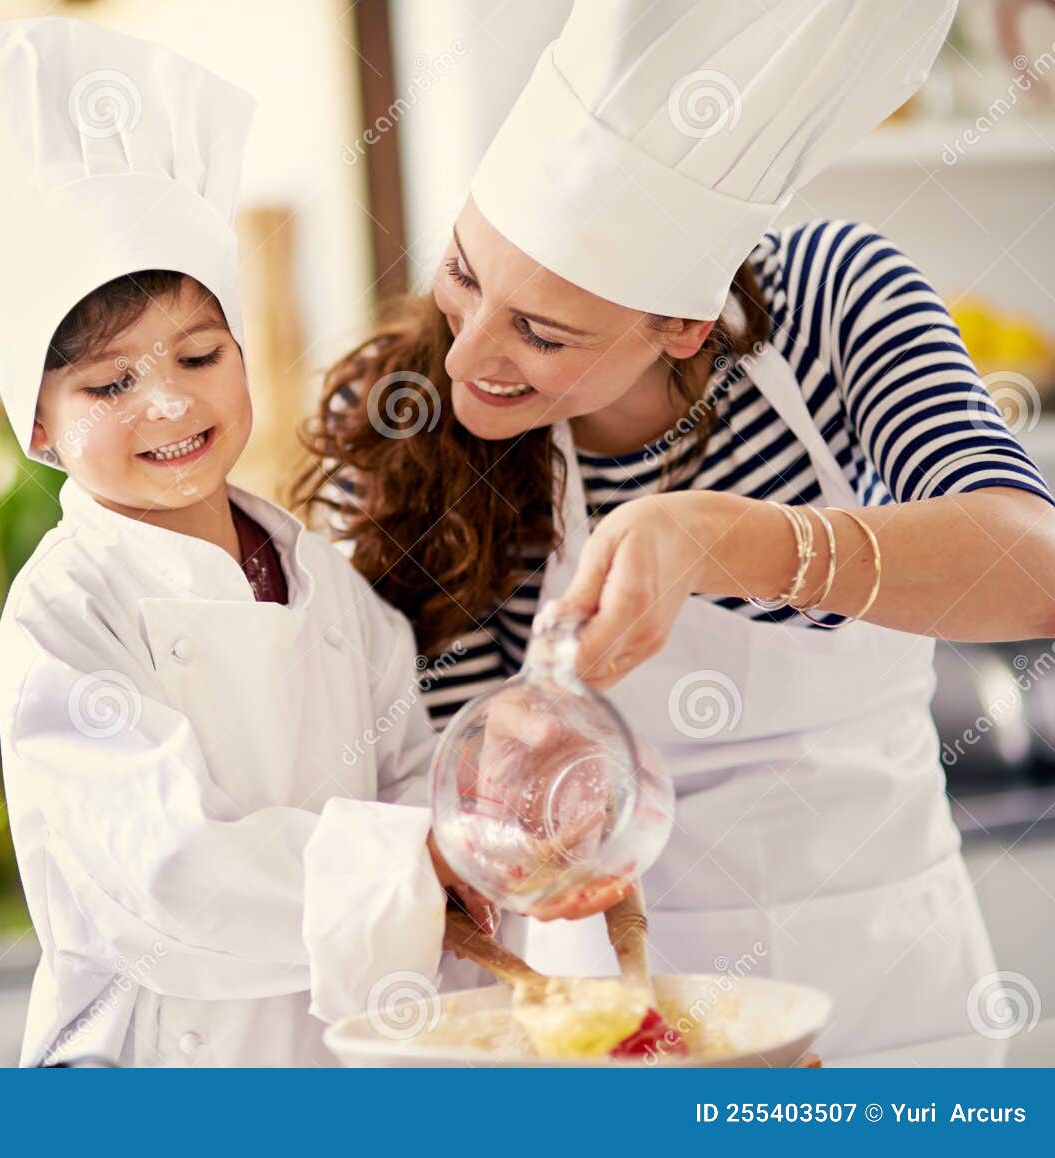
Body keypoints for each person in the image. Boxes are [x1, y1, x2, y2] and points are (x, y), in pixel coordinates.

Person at [298, 0, 1054, 1059]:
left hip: (891, 1004)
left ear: (682, 324)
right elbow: (441, 794)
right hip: (605, 1029)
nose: (468, 359)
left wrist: (719, 541)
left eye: (542, 332)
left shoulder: (839, 300)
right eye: (466, 274)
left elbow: (1032, 568)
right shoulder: (416, 429)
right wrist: (513, 812)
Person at [0, 17, 482, 1068]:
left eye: (199, 355)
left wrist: (477, 832)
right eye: (109, 383)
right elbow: (166, 879)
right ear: (35, 425)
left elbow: (409, 777)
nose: (166, 403)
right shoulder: (67, 611)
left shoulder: (325, 585)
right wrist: (414, 858)